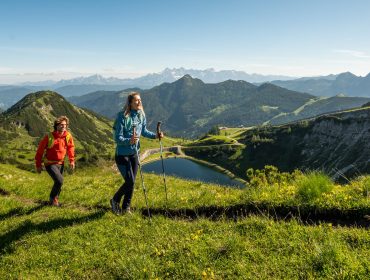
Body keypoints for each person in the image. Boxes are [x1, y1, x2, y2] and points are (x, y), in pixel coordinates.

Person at [111, 92, 163, 215]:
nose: (139, 102)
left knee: (132, 181)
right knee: (130, 181)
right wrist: (129, 141)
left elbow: (143, 131)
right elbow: (117, 138)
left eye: (140, 100)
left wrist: (156, 136)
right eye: (136, 101)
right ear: (130, 103)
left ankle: (126, 208)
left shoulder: (140, 115)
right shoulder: (122, 117)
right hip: (122, 155)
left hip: (134, 153)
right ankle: (114, 200)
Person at [35, 116, 75, 206]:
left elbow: (71, 148)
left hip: (61, 163)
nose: (63, 127)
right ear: (56, 126)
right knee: (60, 180)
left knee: (59, 182)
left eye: (65, 125)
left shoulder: (68, 136)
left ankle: (54, 201)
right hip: (50, 163)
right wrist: (38, 165)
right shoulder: (49, 137)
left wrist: (72, 161)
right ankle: (52, 199)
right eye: (61, 125)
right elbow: (40, 151)